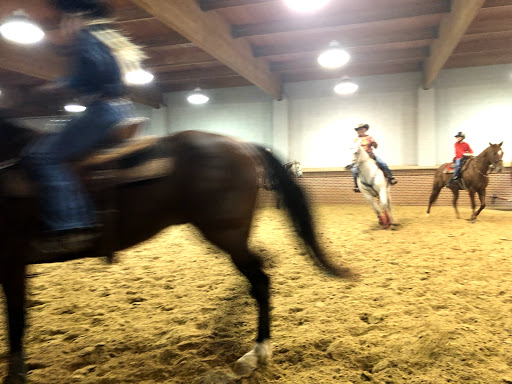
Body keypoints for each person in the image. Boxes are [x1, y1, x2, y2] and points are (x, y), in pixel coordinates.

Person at [23, 0, 146, 254]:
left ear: (75, 17)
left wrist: (63, 83)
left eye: (64, 20)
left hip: (102, 111)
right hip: (119, 107)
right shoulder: (107, 37)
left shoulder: (87, 39)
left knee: (42, 156)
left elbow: (95, 70)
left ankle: (71, 223)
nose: (63, 26)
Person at [350, 123, 397, 193]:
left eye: (362, 129)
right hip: (360, 158)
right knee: (354, 170)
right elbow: (354, 149)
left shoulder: (370, 138)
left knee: (382, 164)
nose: (360, 131)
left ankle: (390, 178)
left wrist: (374, 143)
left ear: (365, 130)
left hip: (370, 155)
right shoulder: (356, 140)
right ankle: (357, 185)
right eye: (359, 130)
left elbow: (375, 147)